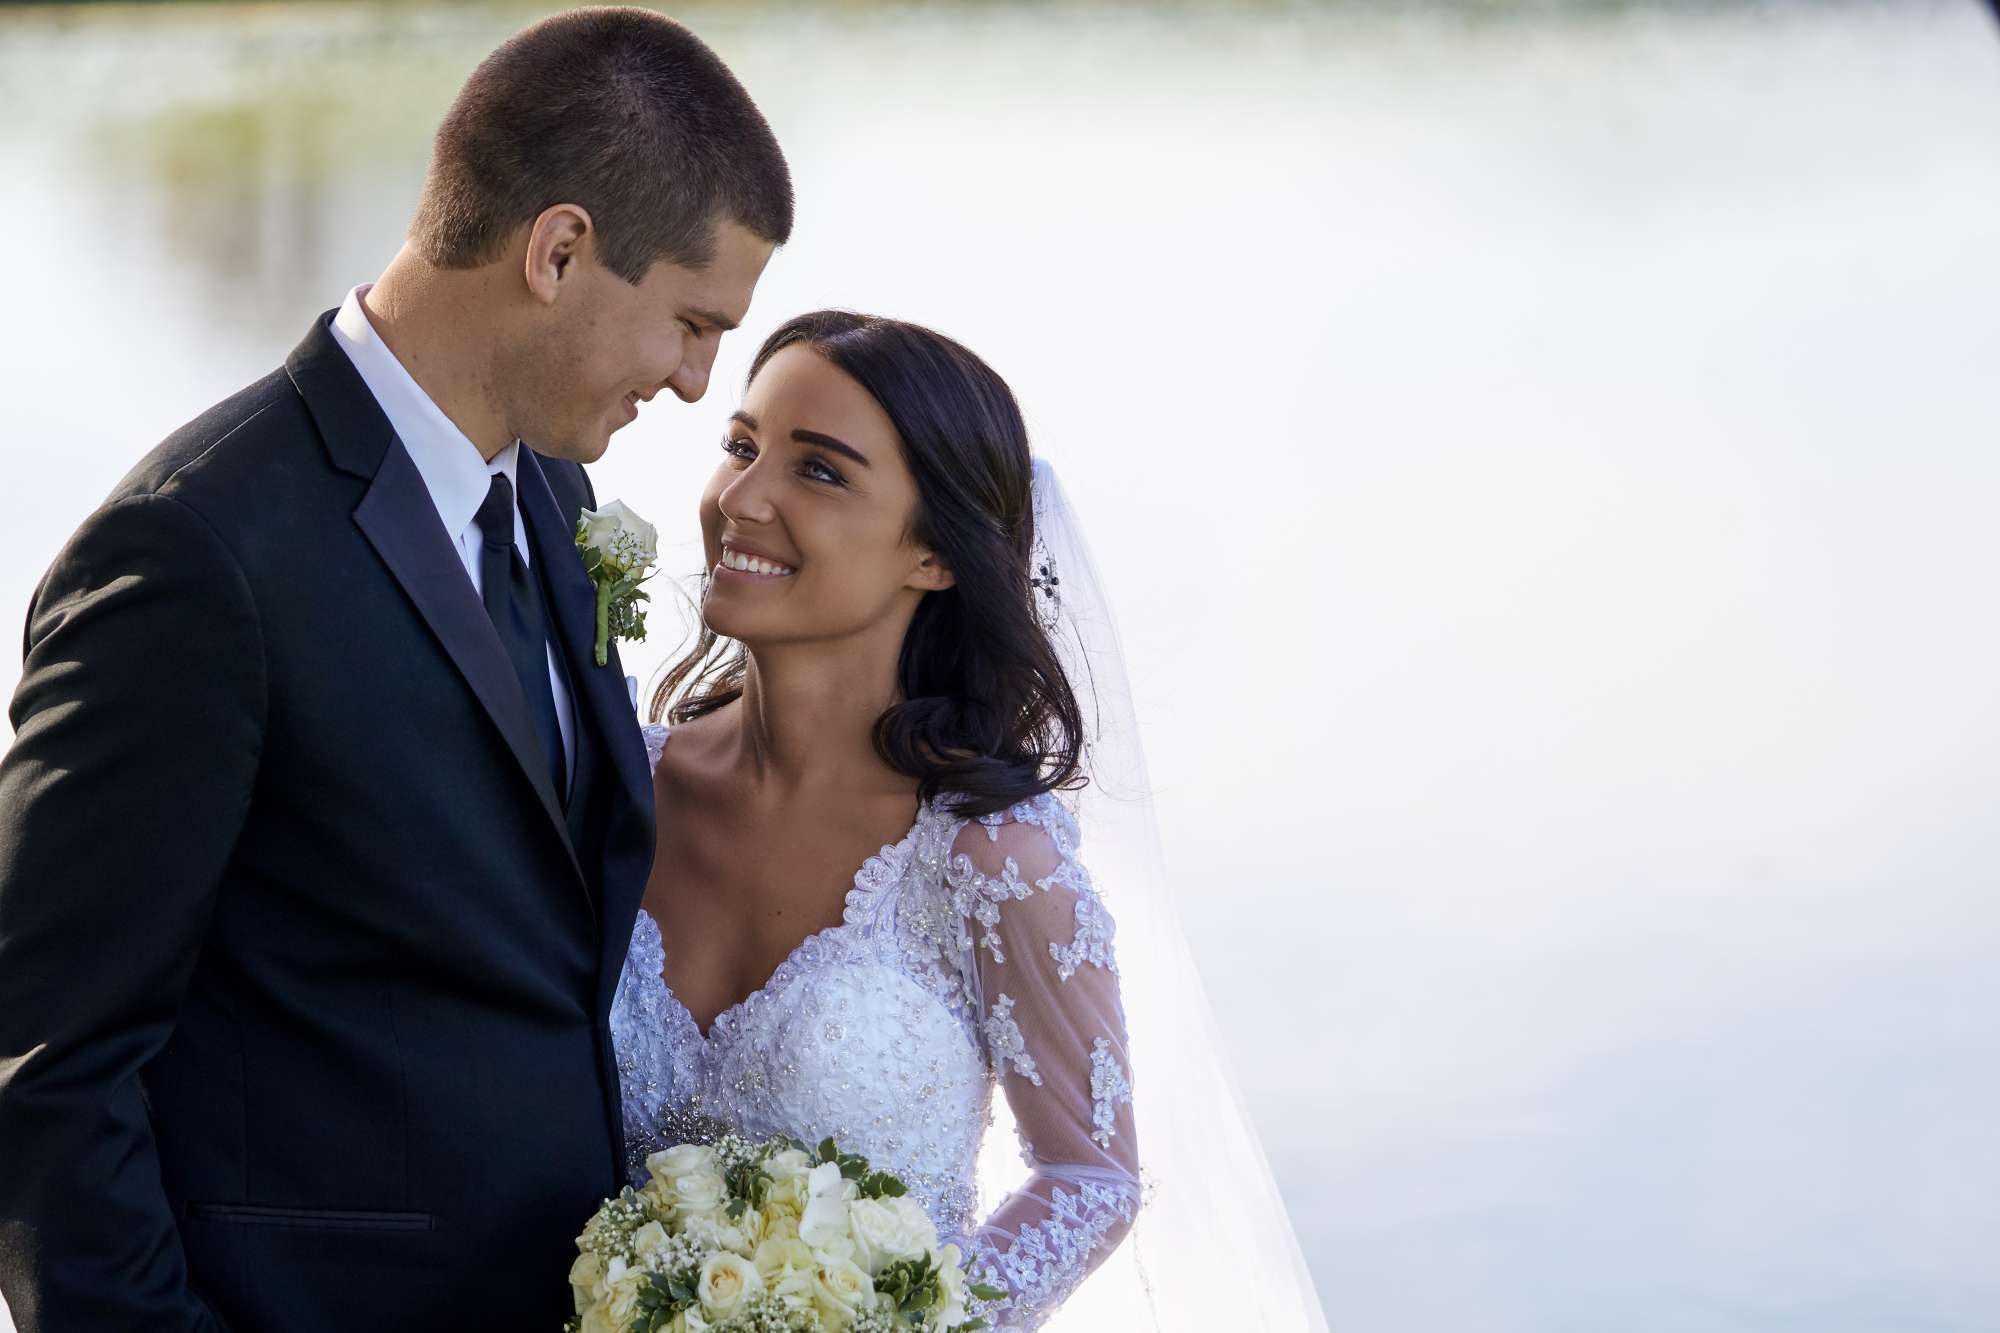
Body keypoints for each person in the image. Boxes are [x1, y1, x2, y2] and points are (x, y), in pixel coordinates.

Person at [0, 10, 789, 1331]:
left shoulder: (554, 496)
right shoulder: (197, 554)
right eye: (692, 323)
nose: (701, 384)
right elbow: (47, 1063)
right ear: (560, 250)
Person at [615, 311, 1329, 1330]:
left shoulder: (988, 855)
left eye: (817, 472)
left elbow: (1088, 1174)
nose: (740, 498)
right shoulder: (612, 789)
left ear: (935, 557)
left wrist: (920, 1324)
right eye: (740, 446)